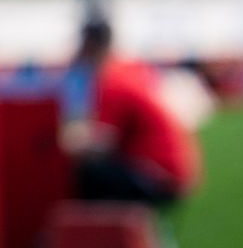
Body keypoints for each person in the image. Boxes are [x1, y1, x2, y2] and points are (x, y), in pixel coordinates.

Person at [59, 14, 200, 209]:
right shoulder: (130, 68)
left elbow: (102, 144)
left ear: (89, 45)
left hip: (158, 175)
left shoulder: (111, 81)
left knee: (88, 173)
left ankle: (94, 235)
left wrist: (67, 143)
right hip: (174, 171)